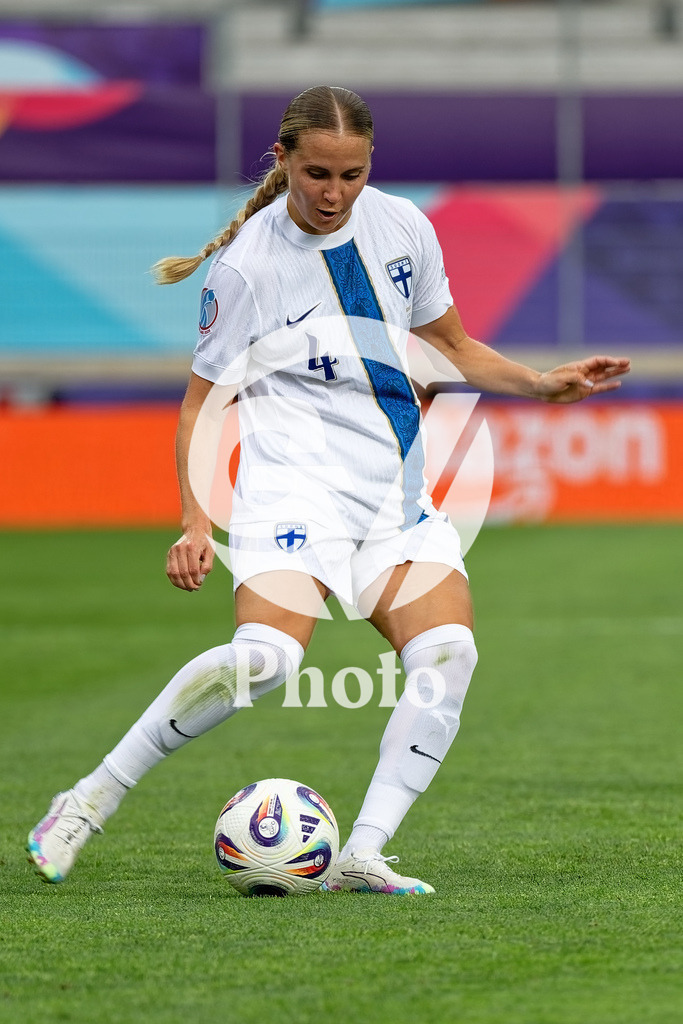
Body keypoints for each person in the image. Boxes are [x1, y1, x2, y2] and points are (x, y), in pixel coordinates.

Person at [27, 86, 630, 893]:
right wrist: (196, 520)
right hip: (293, 493)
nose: (333, 192)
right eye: (316, 173)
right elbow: (203, 402)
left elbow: (447, 345)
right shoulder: (248, 267)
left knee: (448, 655)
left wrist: (537, 384)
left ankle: (363, 851)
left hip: (393, 498)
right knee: (264, 663)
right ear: (283, 162)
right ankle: (87, 800)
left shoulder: (404, 227)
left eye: (350, 174)